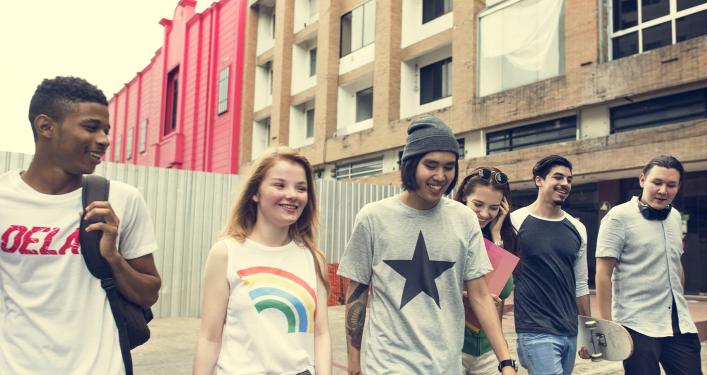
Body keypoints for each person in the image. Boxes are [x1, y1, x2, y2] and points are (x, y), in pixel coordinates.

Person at [0, 76, 161, 373]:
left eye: (106, 130)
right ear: (45, 127)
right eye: (91, 127)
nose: (104, 139)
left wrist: (113, 258)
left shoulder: (122, 199)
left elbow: (149, 293)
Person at [338, 116, 517, 375]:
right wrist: (354, 366)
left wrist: (506, 362)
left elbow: (480, 296)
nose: (440, 176)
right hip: (390, 366)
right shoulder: (373, 217)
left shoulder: (464, 219)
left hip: (447, 366)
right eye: (430, 165)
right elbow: (357, 293)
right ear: (410, 164)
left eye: (449, 166)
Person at [193, 147, 332, 375]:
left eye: (301, 188)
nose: (292, 195)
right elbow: (210, 338)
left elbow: (321, 333)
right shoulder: (226, 253)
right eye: (280, 185)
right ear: (255, 193)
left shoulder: (313, 258)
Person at [595, 155, 701, 375]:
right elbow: (603, 273)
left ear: (678, 186)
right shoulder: (618, 217)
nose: (663, 190)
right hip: (637, 325)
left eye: (671, 185)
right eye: (657, 182)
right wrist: (607, 327)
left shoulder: (675, 217)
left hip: (679, 324)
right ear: (642, 180)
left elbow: (676, 263)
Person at [509, 155, 591, 375]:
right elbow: (499, 274)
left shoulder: (577, 228)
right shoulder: (515, 221)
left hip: (569, 331)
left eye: (569, 179)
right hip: (534, 329)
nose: (565, 183)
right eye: (558, 177)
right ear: (539, 180)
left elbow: (581, 284)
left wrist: (587, 332)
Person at [453, 167, 519, 375]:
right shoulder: (448, 233)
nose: (484, 214)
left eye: (493, 208)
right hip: (454, 345)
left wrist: (496, 234)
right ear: (464, 198)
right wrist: (464, 296)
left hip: (486, 348)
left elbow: (503, 288)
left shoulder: (498, 237)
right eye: (478, 205)